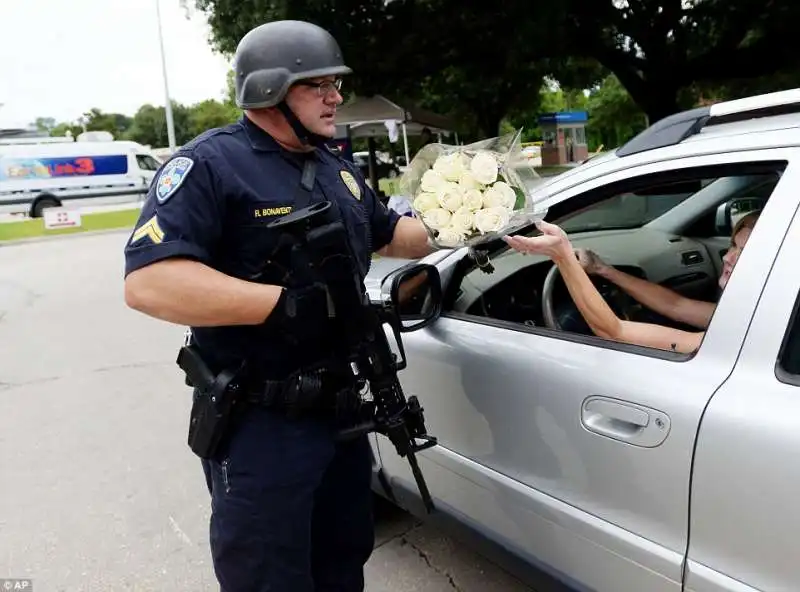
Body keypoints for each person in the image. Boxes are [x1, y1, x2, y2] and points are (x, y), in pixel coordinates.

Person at [122, 20, 433, 592]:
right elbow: (150, 281)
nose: (335, 96)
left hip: (340, 415)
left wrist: (474, 216)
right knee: (269, 577)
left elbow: (394, 234)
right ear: (268, 90)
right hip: (262, 421)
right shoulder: (210, 166)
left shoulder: (338, 167)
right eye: (317, 84)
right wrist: (286, 305)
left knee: (343, 564)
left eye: (335, 83)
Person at [503, 211, 760, 354]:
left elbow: (615, 332)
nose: (727, 257)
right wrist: (605, 270)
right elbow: (676, 305)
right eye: (732, 246)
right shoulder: (754, 312)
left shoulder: (746, 336)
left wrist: (562, 256)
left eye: (742, 253)